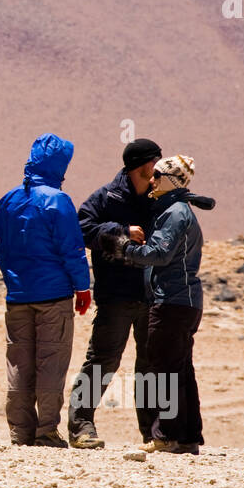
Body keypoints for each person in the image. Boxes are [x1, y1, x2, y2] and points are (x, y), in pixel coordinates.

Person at [0, 133, 92, 447]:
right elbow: (72, 250)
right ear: (57, 166)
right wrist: (83, 287)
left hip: (18, 296)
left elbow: (0, 249)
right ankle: (46, 430)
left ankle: (20, 431)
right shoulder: (57, 200)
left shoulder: (7, 200)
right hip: (53, 297)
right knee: (51, 361)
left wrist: (14, 282)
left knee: (19, 362)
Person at [66, 138, 162, 449]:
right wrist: (121, 231)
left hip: (151, 294)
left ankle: (155, 433)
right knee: (102, 361)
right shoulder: (107, 197)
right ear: (141, 165)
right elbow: (81, 230)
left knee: (151, 364)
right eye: (154, 161)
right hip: (116, 295)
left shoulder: (158, 196)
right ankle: (81, 427)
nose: (158, 168)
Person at [114, 154, 206, 455]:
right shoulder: (181, 210)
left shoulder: (175, 213)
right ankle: (188, 436)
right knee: (180, 368)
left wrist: (124, 248)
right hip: (185, 302)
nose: (150, 180)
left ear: (169, 180)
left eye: (156, 176)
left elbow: (159, 254)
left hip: (172, 301)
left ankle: (165, 434)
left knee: (163, 368)